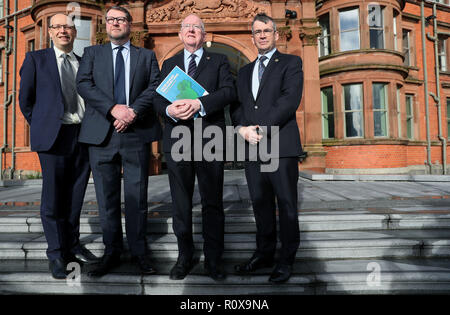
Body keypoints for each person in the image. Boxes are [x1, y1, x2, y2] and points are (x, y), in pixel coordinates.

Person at [76, 6, 162, 277]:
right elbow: (84, 84)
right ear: (106, 24)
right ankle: (111, 251)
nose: (115, 23)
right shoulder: (92, 53)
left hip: (136, 134)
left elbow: (154, 86)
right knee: (106, 197)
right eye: (111, 19)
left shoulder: (146, 56)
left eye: (120, 19)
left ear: (129, 24)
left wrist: (132, 112)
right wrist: (114, 108)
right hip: (101, 134)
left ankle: (139, 252)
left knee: (137, 197)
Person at [154, 14, 236, 281]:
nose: (191, 31)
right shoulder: (169, 63)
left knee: (212, 202)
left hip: (209, 137)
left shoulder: (220, 60)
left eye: (196, 27)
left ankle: (213, 260)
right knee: (181, 202)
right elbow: (156, 99)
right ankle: (184, 257)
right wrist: (169, 108)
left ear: (204, 35)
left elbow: (228, 92)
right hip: (177, 139)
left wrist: (200, 104)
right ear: (180, 35)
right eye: (186, 27)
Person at [19, 13, 95, 279]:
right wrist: (44, 124)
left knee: (75, 198)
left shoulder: (84, 63)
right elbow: (25, 101)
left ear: (74, 33)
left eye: (69, 27)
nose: (64, 31)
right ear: (50, 32)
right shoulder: (35, 60)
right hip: (54, 137)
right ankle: (56, 253)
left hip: (83, 136)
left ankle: (72, 245)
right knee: (53, 198)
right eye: (59, 26)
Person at [231, 13, 304, 284]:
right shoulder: (244, 71)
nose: (262, 35)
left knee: (286, 205)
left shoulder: (291, 63)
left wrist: (258, 127)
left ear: (276, 34)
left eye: (267, 30)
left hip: (280, 146)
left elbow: (289, 100)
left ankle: (286, 260)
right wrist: (241, 129)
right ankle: (263, 253)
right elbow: (237, 106)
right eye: (257, 31)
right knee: (260, 205)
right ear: (252, 37)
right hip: (252, 147)